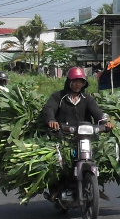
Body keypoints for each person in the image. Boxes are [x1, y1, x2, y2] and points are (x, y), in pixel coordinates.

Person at [41, 66, 112, 201]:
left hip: (86, 137)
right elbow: (49, 109)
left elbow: (98, 113)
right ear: (69, 81)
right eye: (75, 81)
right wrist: (51, 120)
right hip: (64, 136)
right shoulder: (58, 96)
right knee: (60, 163)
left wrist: (105, 122)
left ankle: (92, 183)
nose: (78, 84)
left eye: (81, 81)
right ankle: (57, 188)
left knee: (100, 156)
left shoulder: (87, 98)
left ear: (84, 83)